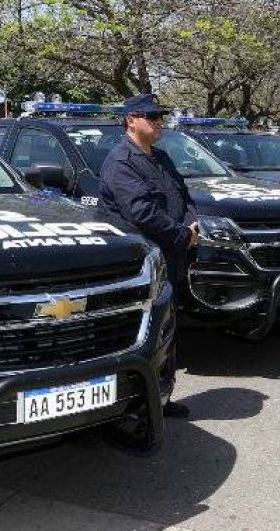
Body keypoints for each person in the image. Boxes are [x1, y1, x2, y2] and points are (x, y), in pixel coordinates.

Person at [99, 93, 198, 419]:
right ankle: (134, 405)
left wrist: (191, 222)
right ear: (131, 120)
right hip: (139, 263)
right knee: (144, 331)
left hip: (170, 255)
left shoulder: (161, 157)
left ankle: (162, 397)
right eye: (152, 117)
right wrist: (183, 233)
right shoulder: (120, 162)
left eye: (160, 117)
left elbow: (182, 195)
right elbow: (142, 213)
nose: (159, 123)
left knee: (167, 327)